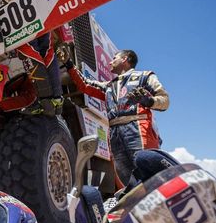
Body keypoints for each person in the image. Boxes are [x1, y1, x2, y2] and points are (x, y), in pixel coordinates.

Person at [59, 48, 170, 185]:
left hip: (138, 129)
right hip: (114, 134)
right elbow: (85, 85)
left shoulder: (145, 77)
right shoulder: (109, 87)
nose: (110, 62)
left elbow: (165, 101)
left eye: (114, 58)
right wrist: (69, 64)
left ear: (125, 59)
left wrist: (148, 101)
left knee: (148, 174)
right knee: (127, 181)